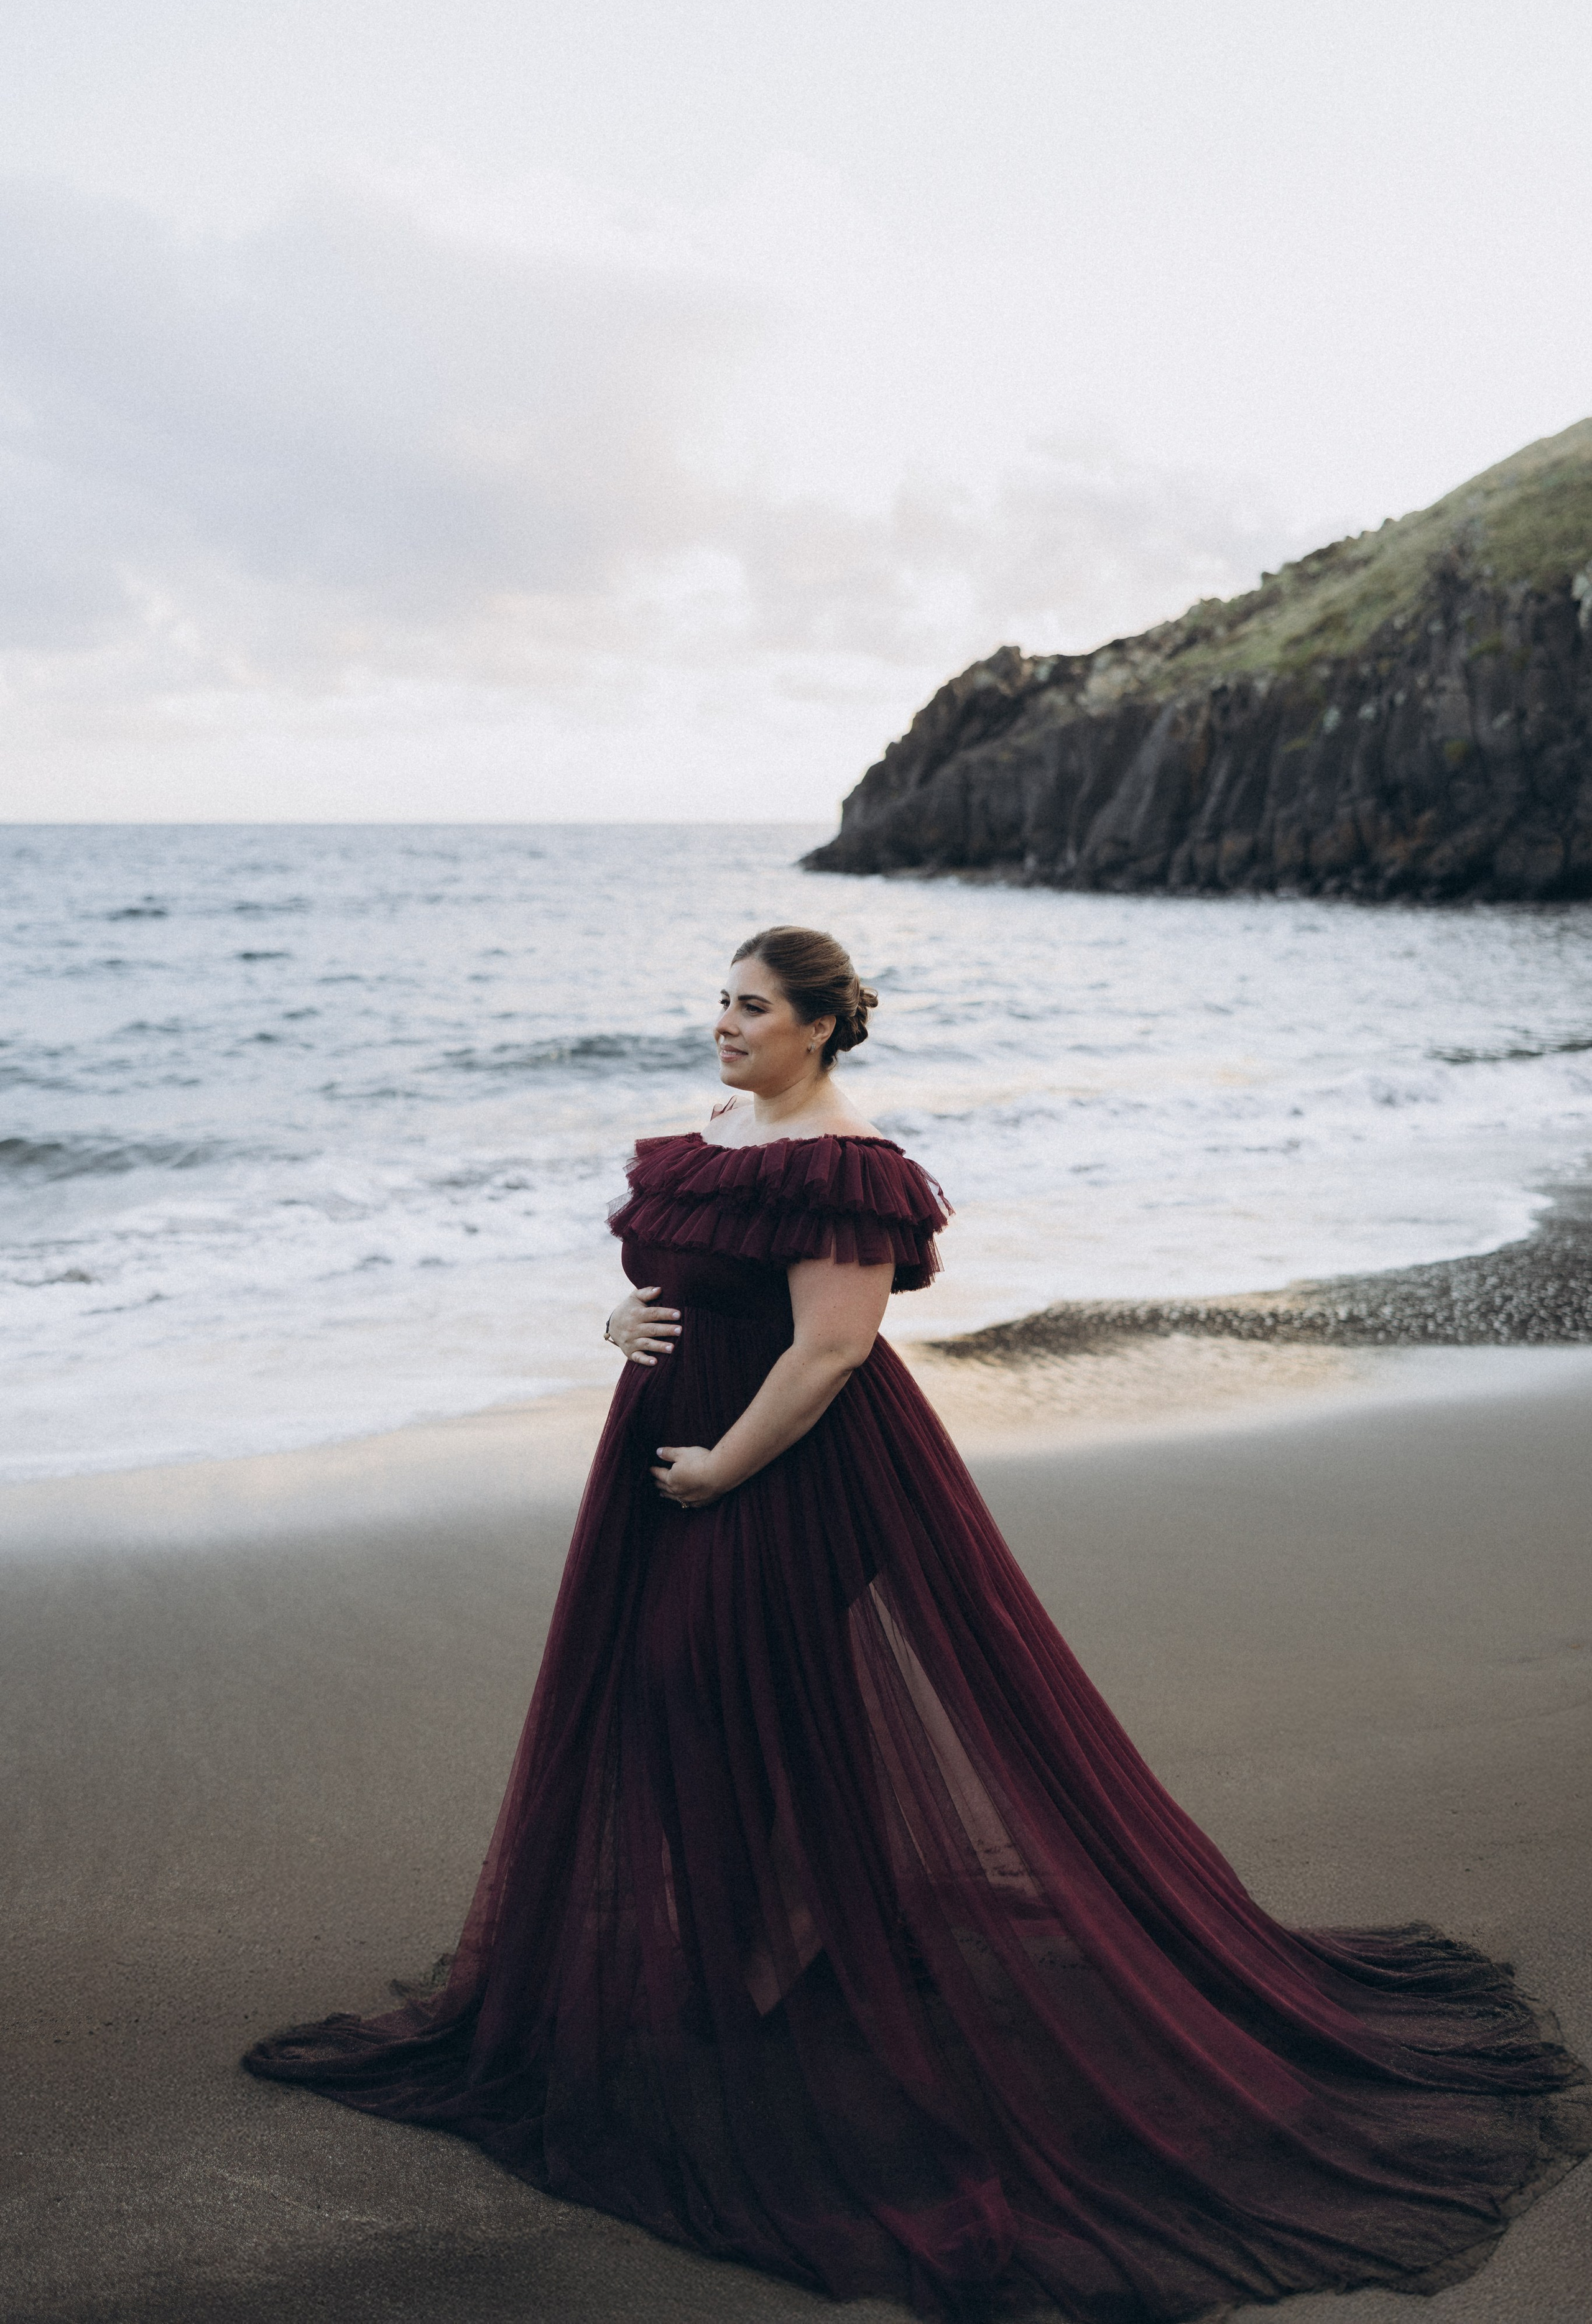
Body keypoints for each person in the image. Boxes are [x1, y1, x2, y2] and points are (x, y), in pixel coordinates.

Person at [246, 925, 1590, 2322]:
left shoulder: (848, 1164)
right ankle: (779, 1935)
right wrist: (622, 1327)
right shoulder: (717, 1133)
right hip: (682, 1451)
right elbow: (688, 1277)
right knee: (702, 1690)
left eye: (752, 1007)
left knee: (707, 1679)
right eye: (719, 1001)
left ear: (819, 1027)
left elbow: (832, 1347)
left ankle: (784, 1938)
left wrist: (721, 1468)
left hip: (789, 1470)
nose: (724, 1024)